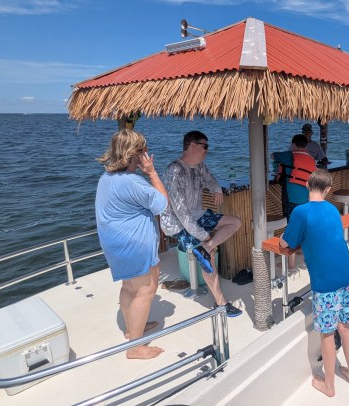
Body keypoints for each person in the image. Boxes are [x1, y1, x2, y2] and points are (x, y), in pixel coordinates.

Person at [279, 169, 349, 397]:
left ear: (306, 184)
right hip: (347, 277)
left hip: (325, 284)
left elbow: (287, 242)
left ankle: (330, 386)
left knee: (327, 333)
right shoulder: (333, 210)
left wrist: (284, 241)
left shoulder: (301, 212)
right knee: (346, 328)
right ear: (328, 190)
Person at [95, 129, 168, 360]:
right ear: (135, 153)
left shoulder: (107, 178)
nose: (146, 153)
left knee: (129, 287)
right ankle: (135, 347)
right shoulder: (133, 182)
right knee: (146, 290)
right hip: (135, 245)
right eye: (143, 149)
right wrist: (152, 173)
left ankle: (132, 329)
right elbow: (162, 204)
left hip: (115, 244)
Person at [160, 131, 243, 317]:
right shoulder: (174, 171)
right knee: (209, 257)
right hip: (177, 224)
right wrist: (202, 235)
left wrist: (216, 189)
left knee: (235, 222)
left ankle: (208, 247)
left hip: (197, 214)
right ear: (192, 145)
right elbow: (181, 213)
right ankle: (221, 304)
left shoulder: (199, 166)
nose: (207, 150)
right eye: (205, 146)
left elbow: (211, 179)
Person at [271, 134, 317, 271]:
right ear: (306, 146)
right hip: (307, 197)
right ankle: (303, 251)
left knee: (291, 228)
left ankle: (291, 265)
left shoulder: (289, 155)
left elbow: (273, 155)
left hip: (291, 198)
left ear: (293, 145)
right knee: (304, 225)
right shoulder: (311, 158)